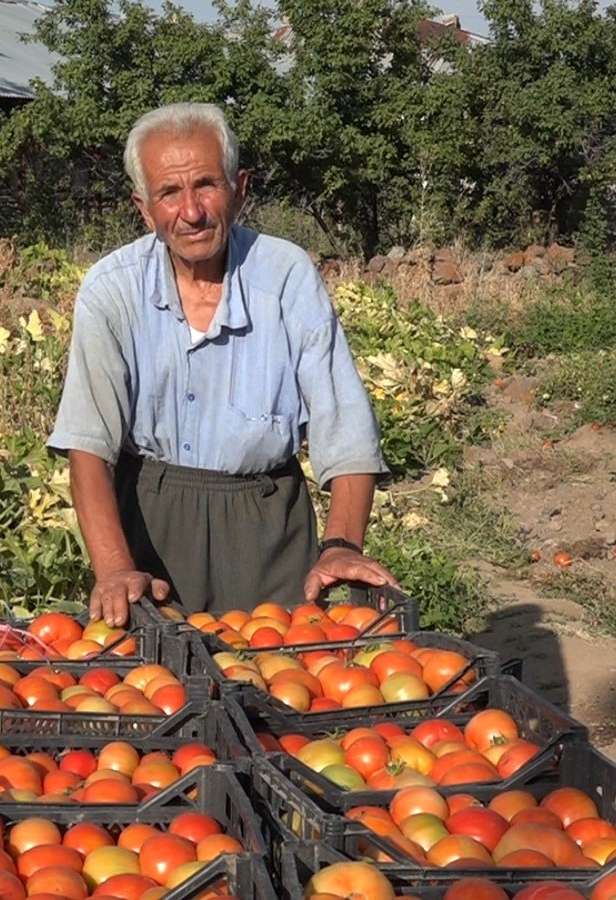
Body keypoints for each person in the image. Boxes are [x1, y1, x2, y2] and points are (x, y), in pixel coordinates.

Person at [47, 102, 397, 627]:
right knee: (157, 691)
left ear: (240, 187)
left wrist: (341, 544)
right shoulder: (112, 289)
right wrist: (116, 567)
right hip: (151, 525)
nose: (191, 211)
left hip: (268, 527)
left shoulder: (285, 277)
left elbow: (344, 429)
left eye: (206, 185)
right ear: (144, 209)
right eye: (169, 193)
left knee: (279, 686)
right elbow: (89, 445)